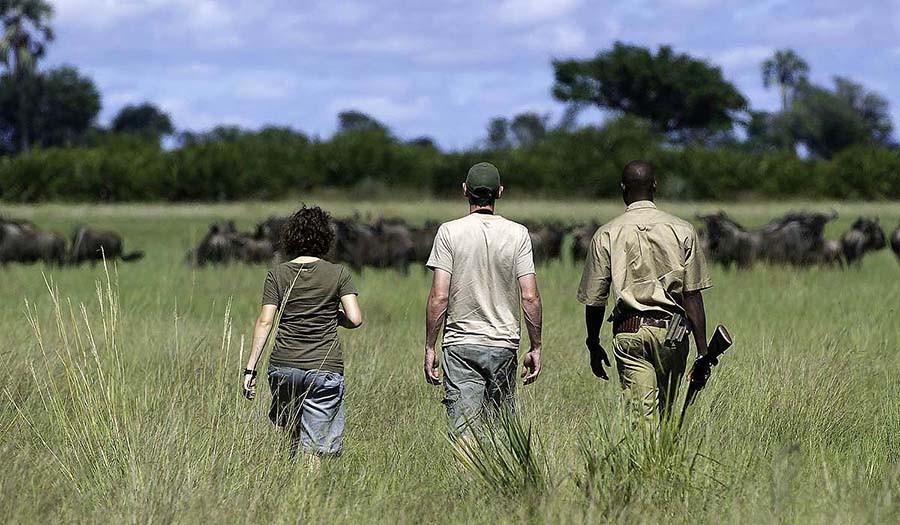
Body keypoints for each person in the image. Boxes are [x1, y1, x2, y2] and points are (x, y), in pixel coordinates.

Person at [577, 160, 712, 428]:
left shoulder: (606, 234)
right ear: (655, 186)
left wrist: (593, 342)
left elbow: (595, 300)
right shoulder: (683, 230)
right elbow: (692, 296)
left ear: (622, 188)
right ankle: (663, 454)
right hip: (673, 335)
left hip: (630, 333)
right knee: (666, 415)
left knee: (640, 418)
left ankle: (646, 455)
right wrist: (702, 352)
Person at [423, 162, 543, 436]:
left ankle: (466, 465)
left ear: (465, 190)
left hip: (460, 344)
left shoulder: (448, 232)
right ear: (499, 192)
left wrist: (430, 346)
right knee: (499, 432)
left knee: (464, 431)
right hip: (504, 344)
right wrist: (536, 346)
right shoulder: (518, 234)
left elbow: (439, 296)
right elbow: (530, 296)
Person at [242, 205, 362, 460]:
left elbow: (265, 321)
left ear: (291, 237)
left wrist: (250, 368)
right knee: (313, 450)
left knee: (293, 434)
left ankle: (290, 479)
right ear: (326, 238)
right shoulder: (339, 273)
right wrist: (335, 316)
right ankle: (308, 484)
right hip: (323, 367)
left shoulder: (277, 274)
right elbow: (355, 318)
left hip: (284, 368)